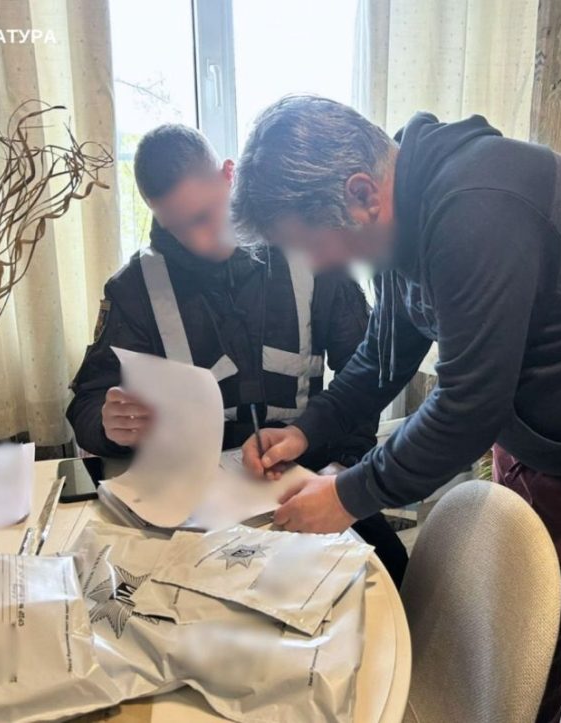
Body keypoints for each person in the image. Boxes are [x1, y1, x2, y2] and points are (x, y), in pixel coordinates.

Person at [232, 96, 561, 723]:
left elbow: (465, 407)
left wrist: (349, 496)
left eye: (312, 244)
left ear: (360, 194)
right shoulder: (399, 215)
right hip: (539, 445)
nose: (317, 263)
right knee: (524, 655)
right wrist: (307, 431)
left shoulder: (477, 207)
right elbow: (384, 357)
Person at [66, 123, 408, 586]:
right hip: (192, 502)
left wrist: (343, 467)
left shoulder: (306, 244)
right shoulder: (134, 289)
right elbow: (88, 401)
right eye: (180, 227)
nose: (202, 239)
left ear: (229, 175)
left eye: (208, 215)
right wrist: (108, 425)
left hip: (312, 471)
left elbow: (365, 369)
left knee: (392, 572)